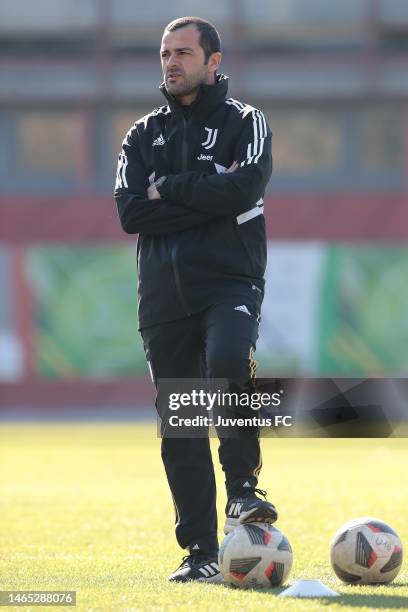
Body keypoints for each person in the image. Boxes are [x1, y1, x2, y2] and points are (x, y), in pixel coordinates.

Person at [114, 16, 277, 583]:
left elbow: (245, 185)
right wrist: (210, 195)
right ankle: (201, 552)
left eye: (183, 52)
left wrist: (174, 188)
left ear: (213, 61)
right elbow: (132, 212)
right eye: (164, 54)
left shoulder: (246, 122)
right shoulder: (141, 135)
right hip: (162, 298)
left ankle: (244, 489)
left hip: (230, 281)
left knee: (231, 361)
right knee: (180, 425)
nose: (171, 63)